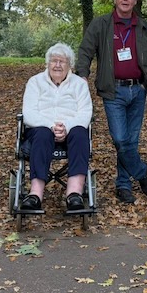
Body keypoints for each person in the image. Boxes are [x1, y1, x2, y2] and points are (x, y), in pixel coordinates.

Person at [75, 0, 147, 204]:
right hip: (113, 91)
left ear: (135, 0)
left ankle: (123, 185)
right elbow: (85, 51)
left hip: (138, 89)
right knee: (121, 140)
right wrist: (82, 74)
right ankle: (141, 173)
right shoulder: (101, 24)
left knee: (132, 140)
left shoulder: (143, 27)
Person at [19, 43, 93, 212]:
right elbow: (29, 113)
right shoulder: (35, 82)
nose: (58, 65)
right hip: (41, 129)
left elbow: (85, 113)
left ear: (70, 65)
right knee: (43, 134)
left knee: (81, 133)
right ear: (47, 63)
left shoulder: (79, 84)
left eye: (63, 61)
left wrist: (66, 126)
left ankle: (74, 193)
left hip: (72, 130)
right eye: (54, 61)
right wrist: (52, 126)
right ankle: (35, 194)